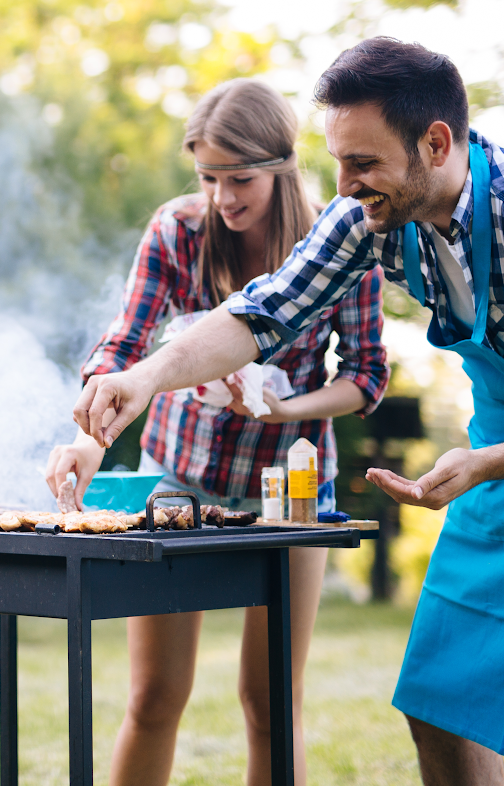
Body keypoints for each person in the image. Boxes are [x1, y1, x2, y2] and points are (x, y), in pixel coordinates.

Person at [73, 38, 504, 786]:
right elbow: (263, 313)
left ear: (435, 144)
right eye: (338, 161)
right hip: (496, 453)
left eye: (362, 163)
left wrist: (486, 463)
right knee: (438, 703)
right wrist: (144, 378)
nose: (343, 184)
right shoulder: (368, 216)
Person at [45, 79, 389, 786]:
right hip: (180, 473)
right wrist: (88, 437)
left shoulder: (339, 241)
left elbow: (366, 375)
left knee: (269, 703)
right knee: (154, 696)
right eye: (209, 177)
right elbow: (123, 346)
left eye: (241, 179)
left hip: (290, 487)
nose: (224, 197)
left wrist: (284, 410)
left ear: (282, 167)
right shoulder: (177, 230)